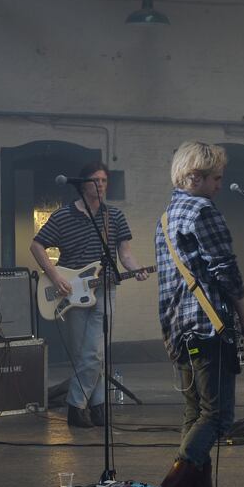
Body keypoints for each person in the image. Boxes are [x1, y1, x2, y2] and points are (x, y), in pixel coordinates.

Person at [147, 141, 244, 487]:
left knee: (195, 417)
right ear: (194, 176)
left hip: (178, 328)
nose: (218, 187)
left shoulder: (165, 217)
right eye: (215, 178)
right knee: (218, 416)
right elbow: (226, 268)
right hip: (209, 326)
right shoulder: (202, 210)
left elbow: (167, 283)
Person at [29, 161, 149, 429]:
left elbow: (125, 254)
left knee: (96, 351)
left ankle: (76, 406)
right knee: (86, 352)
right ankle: (96, 408)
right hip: (72, 293)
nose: (102, 185)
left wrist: (137, 268)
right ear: (83, 184)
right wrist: (56, 276)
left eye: (105, 181)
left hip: (105, 289)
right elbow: (36, 246)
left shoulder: (114, 216)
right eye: (97, 181)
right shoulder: (63, 216)